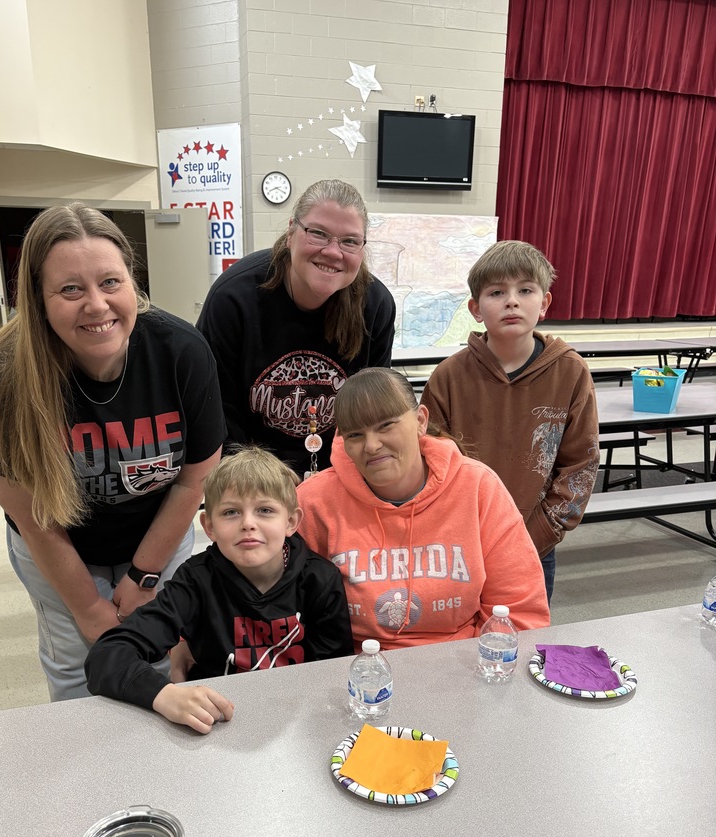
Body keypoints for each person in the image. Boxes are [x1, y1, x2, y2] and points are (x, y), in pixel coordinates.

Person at [0, 203, 225, 700]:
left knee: (153, 657)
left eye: (110, 282)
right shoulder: (2, 376)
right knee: (75, 666)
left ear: (132, 283)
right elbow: (31, 515)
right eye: (70, 289)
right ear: (38, 300)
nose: (97, 305)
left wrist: (144, 576)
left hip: (154, 532)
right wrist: (88, 607)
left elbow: (194, 479)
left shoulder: (182, 352)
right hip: (59, 543)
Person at [85, 447, 353, 733]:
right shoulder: (195, 580)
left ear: (290, 522)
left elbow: (332, 676)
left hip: (296, 724)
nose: (248, 523)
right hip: (215, 724)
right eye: (231, 512)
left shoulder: (320, 580)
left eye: (265, 510)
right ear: (209, 526)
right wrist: (162, 694)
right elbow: (106, 655)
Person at [297, 368, 550, 650]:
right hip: (355, 668)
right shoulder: (313, 502)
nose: (371, 445)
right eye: (355, 435)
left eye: (386, 425)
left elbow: (519, 611)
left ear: (420, 421)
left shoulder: (478, 487)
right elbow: (283, 606)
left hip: (463, 665)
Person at [421, 240, 599, 602]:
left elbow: (580, 465)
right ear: (476, 308)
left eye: (525, 290)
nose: (512, 301)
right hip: (460, 547)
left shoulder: (571, 372)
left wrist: (532, 536)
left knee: (523, 640)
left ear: (544, 303)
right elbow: (430, 463)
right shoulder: (448, 377)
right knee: (454, 643)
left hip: (533, 544)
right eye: (497, 292)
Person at [195, 179, 396, 477]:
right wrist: (258, 484)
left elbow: (373, 411)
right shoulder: (233, 298)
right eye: (318, 233)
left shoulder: (375, 305)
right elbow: (215, 411)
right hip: (253, 479)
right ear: (291, 232)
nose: (333, 252)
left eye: (350, 241)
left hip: (338, 476)